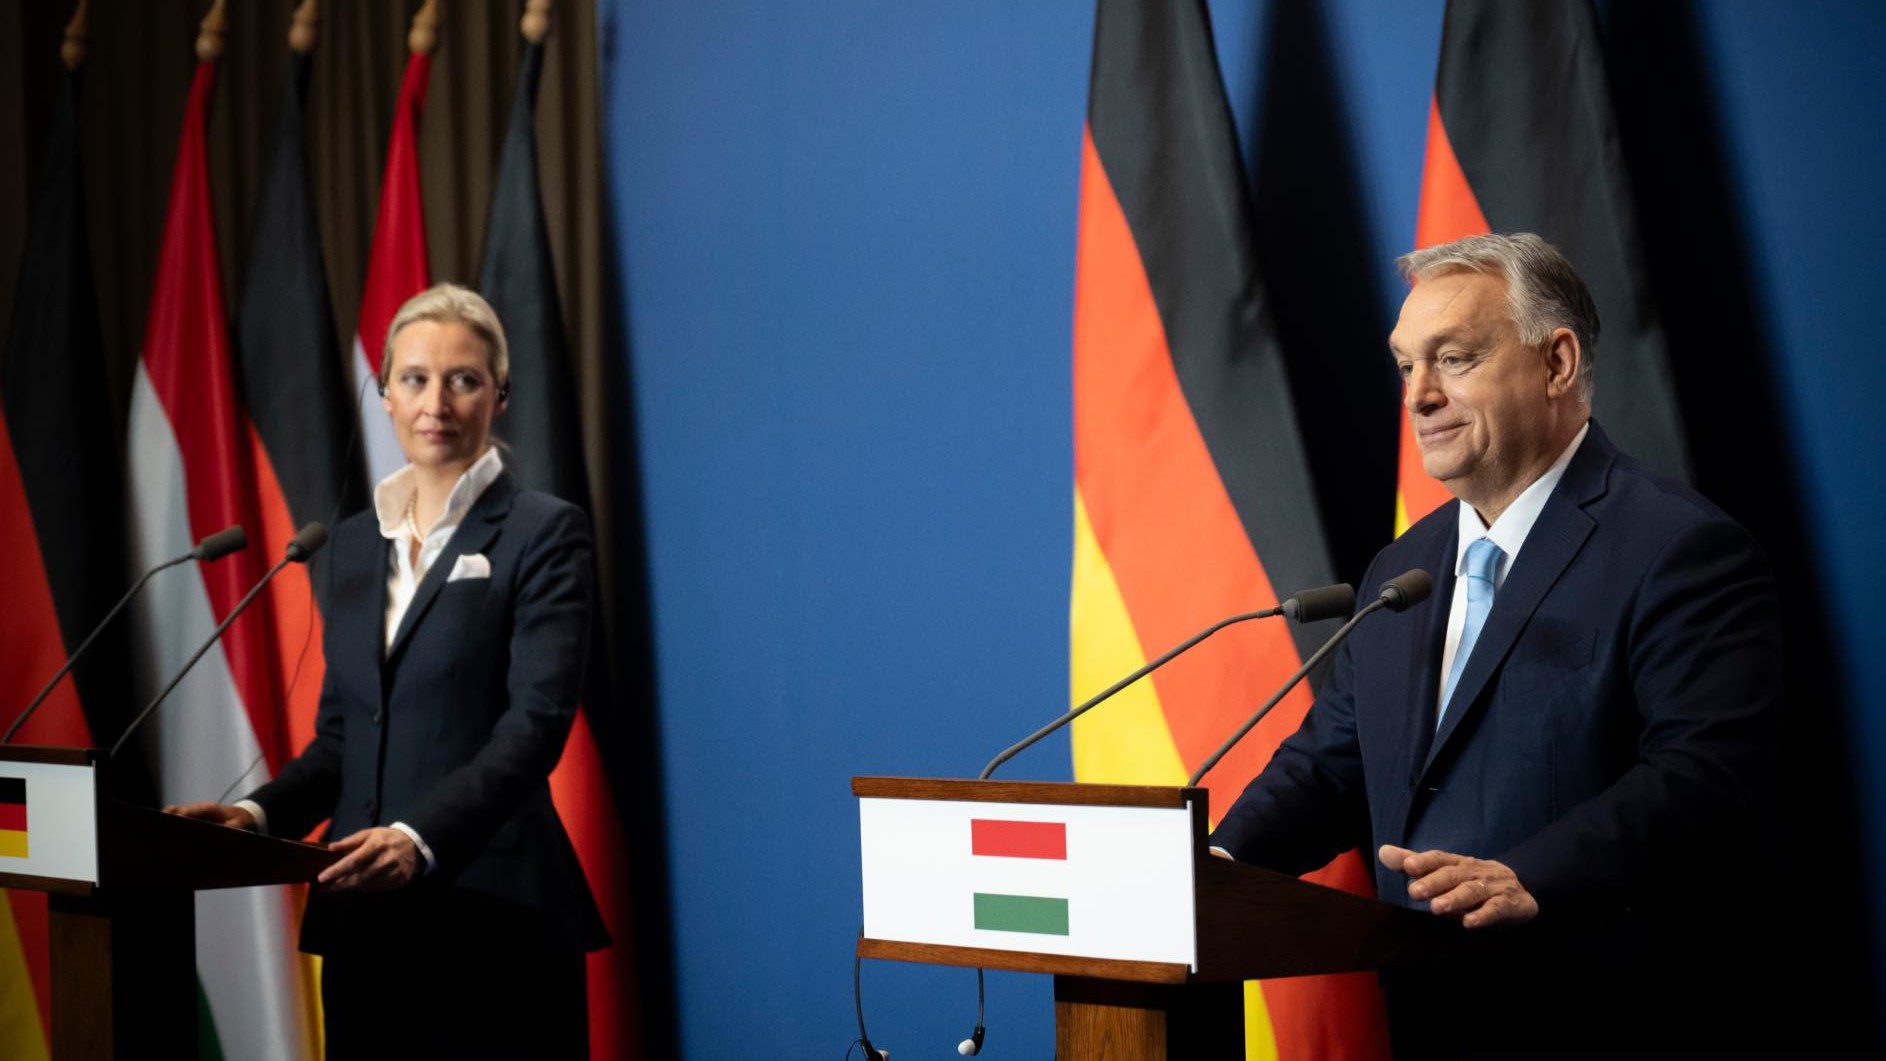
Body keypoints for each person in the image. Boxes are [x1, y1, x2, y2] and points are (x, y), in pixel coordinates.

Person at [1208, 234, 1780, 1056]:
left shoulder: (1678, 547)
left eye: (1455, 358)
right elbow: (1332, 762)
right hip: (1426, 1016)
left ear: (1556, 363)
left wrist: (1533, 874)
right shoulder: (1401, 567)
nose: (1420, 395)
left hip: (1598, 1012)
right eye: (1406, 365)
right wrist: (1216, 867)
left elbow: (1708, 774)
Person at [167, 283, 606, 1058]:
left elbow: (533, 727)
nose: (437, 400)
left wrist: (417, 834)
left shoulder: (545, 530)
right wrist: (256, 817)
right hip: (363, 923)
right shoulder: (352, 544)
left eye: (463, 378)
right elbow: (343, 737)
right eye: (414, 378)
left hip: (495, 917)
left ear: (499, 396)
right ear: (385, 395)